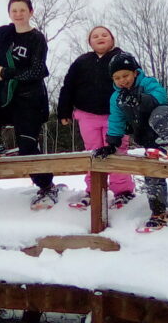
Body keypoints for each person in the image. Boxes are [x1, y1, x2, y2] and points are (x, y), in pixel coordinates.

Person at [0, 0, 57, 210]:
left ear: (31, 12)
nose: (18, 14)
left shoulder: (37, 38)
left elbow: (37, 70)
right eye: (14, 10)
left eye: (22, 10)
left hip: (29, 101)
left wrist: (7, 72)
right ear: (9, 13)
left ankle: (46, 185)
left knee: (27, 148)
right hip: (5, 98)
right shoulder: (4, 37)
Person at [93, 52, 168, 231]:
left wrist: (140, 99)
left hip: (163, 127)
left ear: (135, 72)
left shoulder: (148, 83)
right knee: (152, 175)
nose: (122, 81)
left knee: (162, 111)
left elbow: (161, 97)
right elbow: (116, 120)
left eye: (125, 75)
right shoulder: (117, 98)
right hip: (146, 138)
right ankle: (158, 211)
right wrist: (111, 143)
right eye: (117, 78)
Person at [58, 26, 135, 209]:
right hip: (87, 115)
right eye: (95, 36)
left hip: (115, 115)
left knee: (116, 151)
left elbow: (135, 81)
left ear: (112, 39)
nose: (100, 37)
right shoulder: (82, 62)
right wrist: (64, 111)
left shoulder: (122, 58)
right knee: (92, 152)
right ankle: (94, 191)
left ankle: (123, 192)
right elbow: (68, 86)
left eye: (104, 35)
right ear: (90, 42)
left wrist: (137, 109)